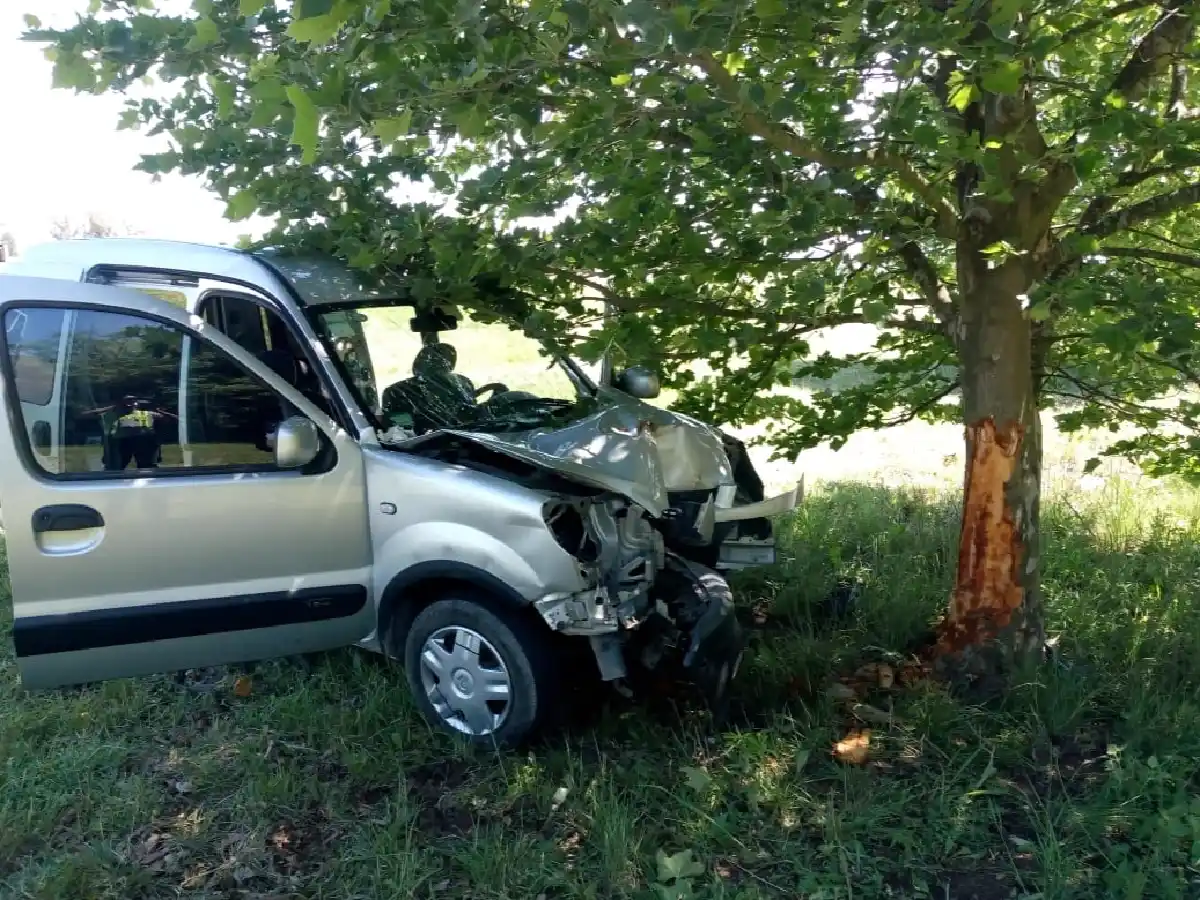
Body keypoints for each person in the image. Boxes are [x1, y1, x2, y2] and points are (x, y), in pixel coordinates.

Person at [84, 395, 176, 471]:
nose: (130, 403)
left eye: (132, 401)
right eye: (127, 401)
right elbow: (88, 415)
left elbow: (173, 419)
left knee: (146, 467)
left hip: (144, 442)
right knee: (115, 467)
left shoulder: (147, 413)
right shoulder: (114, 413)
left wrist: (159, 410)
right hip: (121, 442)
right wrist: (111, 407)